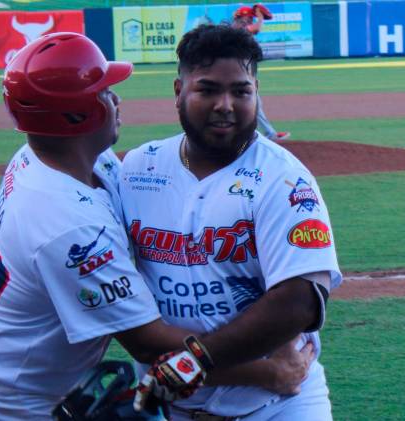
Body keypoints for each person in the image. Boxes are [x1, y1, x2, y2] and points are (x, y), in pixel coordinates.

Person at [0, 32, 315, 421]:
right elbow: (146, 342)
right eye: (105, 91)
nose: (116, 99)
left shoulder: (61, 159)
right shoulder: (69, 223)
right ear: (80, 114)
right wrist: (265, 369)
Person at [121, 24, 341, 420]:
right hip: (171, 407)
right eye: (208, 89)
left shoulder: (285, 179)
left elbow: (300, 301)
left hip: (279, 408)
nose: (226, 104)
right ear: (178, 92)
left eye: (241, 91)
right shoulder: (138, 168)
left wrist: (195, 361)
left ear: (257, 93)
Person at [232, 4, 291, 142]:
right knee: (251, 103)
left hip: (241, 72)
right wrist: (260, 17)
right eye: (249, 17)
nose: (251, 20)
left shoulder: (236, 28)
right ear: (242, 17)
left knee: (253, 103)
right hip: (238, 74)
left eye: (252, 17)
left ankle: (264, 133)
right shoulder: (237, 29)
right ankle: (265, 134)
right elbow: (256, 28)